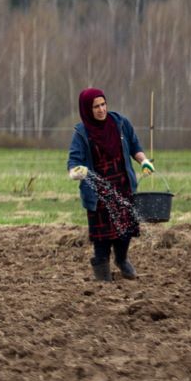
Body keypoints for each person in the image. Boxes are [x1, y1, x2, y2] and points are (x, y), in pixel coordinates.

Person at [67, 87, 154, 282]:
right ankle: (101, 268)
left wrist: (144, 161)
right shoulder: (82, 133)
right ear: (87, 109)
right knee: (103, 236)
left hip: (123, 185)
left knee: (125, 230)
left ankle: (122, 259)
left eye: (103, 104)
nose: (101, 109)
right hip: (98, 193)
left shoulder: (120, 123)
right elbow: (73, 163)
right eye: (96, 106)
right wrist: (76, 172)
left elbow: (134, 147)